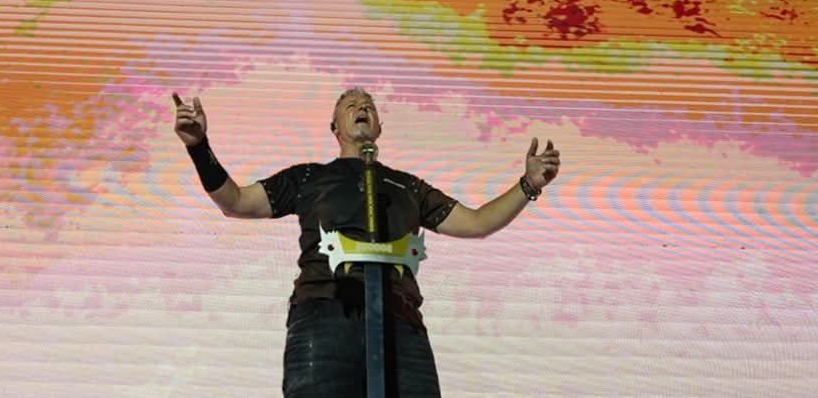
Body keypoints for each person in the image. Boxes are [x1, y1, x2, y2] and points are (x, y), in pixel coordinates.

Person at [172, 87, 562, 397]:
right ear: (335, 127)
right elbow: (236, 201)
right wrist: (198, 147)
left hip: (401, 323)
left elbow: (477, 222)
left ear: (379, 127)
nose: (362, 107)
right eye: (351, 105)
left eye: (369, 105)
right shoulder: (308, 178)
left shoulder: (407, 186)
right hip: (325, 314)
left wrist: (529, 185)